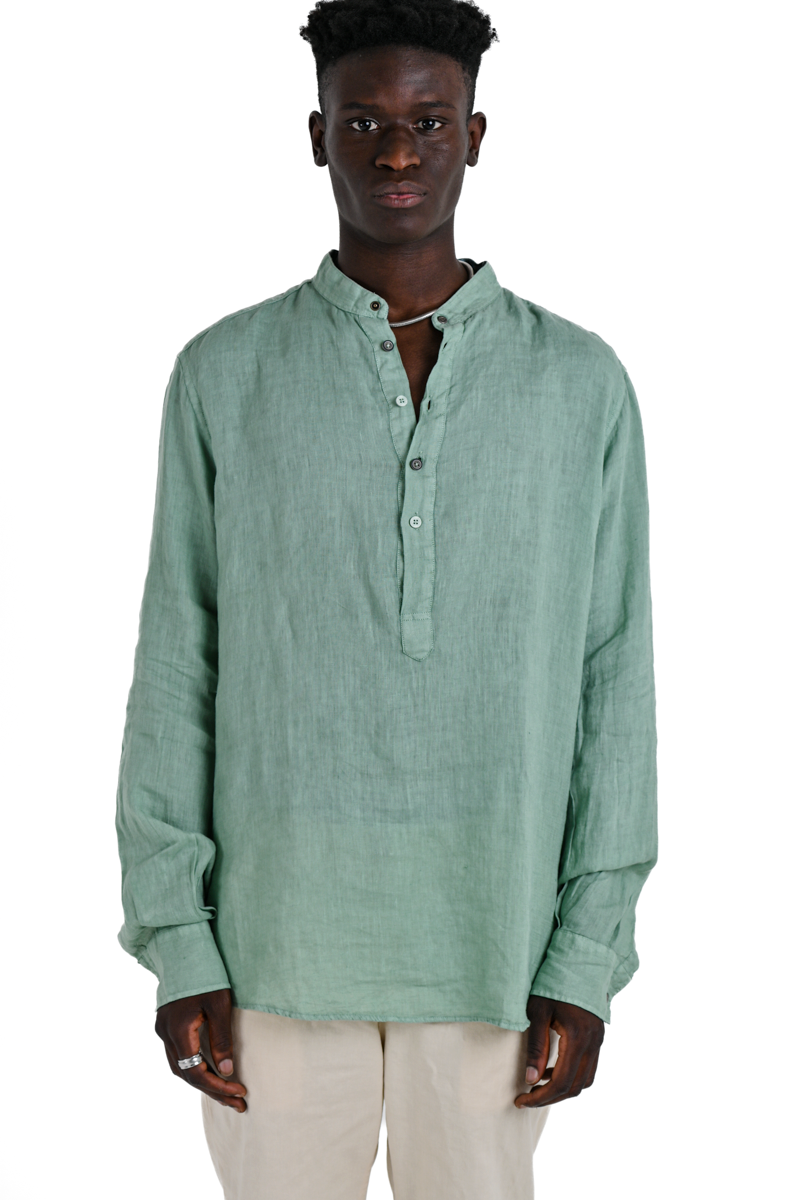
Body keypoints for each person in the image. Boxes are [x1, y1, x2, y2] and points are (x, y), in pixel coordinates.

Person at [115, 1, 658, 1196]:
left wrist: (586, 957)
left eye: (429, 120)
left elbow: (613, 679)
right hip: (272, 952)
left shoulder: (579, 383)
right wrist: (180, 943)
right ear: (317, 137)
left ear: (476, 135)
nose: (398, 151)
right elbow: (177, 665)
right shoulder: (225, 373)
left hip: (495, 947)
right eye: (363, 121)